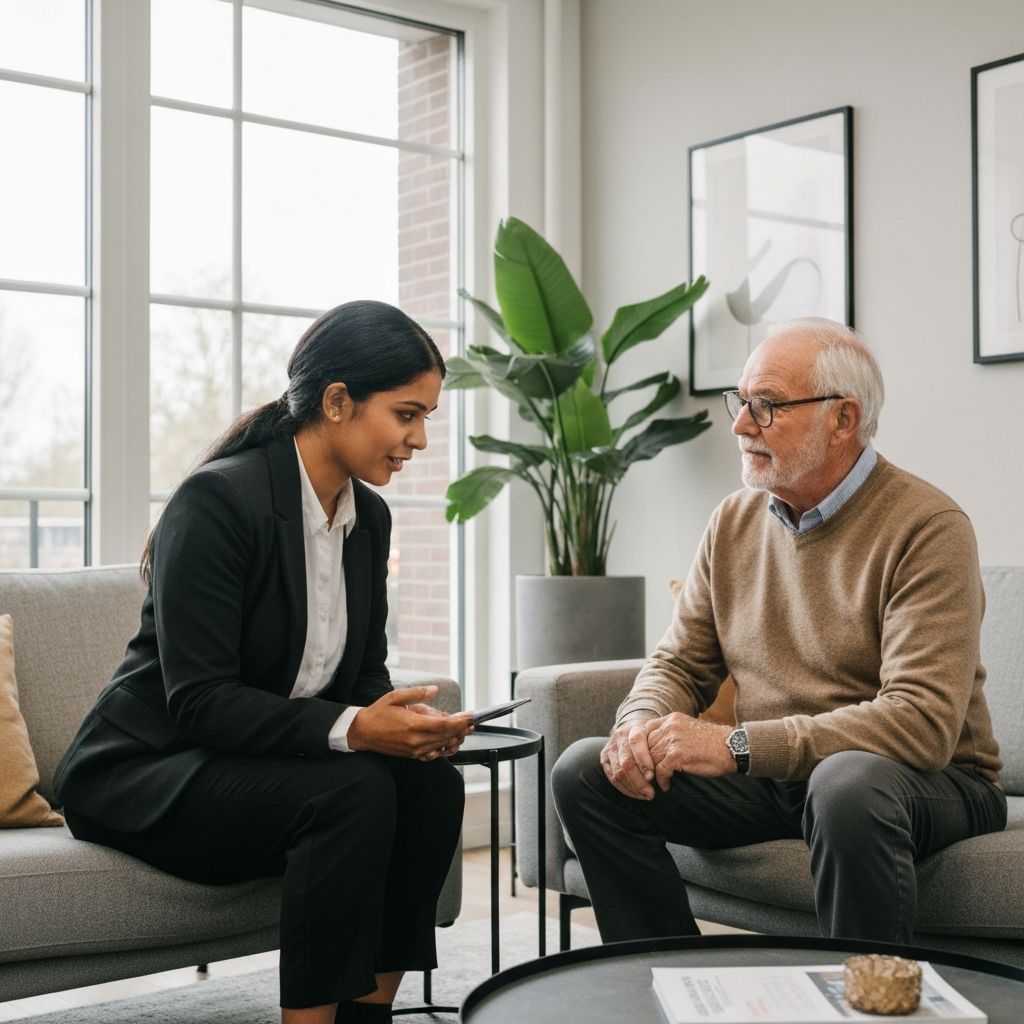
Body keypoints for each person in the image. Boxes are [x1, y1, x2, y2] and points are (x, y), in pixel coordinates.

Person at [53, 300, 473, 1024]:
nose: (421, 440)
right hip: (149, 771)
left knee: (430, 789)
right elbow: (201, 703)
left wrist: (404, 724)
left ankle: (365, 1015)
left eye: (426, 417)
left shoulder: (367, 519)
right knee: (351, 792)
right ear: (338, 401)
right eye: (406, 414)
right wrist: (356, 732)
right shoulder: (218, 503)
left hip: (245, 766)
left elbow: (359, 675)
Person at [552, 317, 1006, 946]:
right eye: (741, 403)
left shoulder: (928, 527)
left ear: (842, 419)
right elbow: (680, 663)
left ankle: (870, 1003)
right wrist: (638, 724)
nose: (739, 425)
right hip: (780, 778)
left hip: (924, 781)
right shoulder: (733, 521)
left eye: (765, 407)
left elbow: (920, 723)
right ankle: (670, 982)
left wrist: (735, 745)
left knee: (845, 783)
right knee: (586, 770)